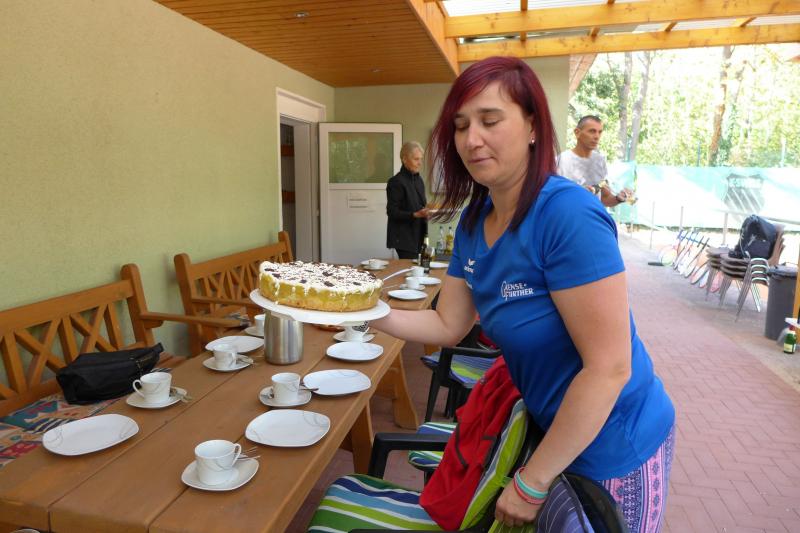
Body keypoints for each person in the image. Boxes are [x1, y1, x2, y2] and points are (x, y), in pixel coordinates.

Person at [372, 57, 675, 532]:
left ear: (533, 125)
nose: (472, 139)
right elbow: (448, 324)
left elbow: (610, 368)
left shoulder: (567, 215)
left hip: (614, 441)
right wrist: (364, 310)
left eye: (490, 120)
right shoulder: (475, 220)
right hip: (551, 429)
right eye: (461, 126)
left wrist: (533, 482)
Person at [557, 115, 633, 207]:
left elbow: (604, 198)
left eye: (600, 132)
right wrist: (577, 193)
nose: (597, 136)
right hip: (568, 214)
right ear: (577, 133)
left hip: (593, 215)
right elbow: (553, 198)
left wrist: (618, 198)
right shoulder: (561, 160)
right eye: (592, 131)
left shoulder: (599, 161)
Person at [386, 141, 430, 259]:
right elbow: (392, 212)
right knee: (411, 269)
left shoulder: (419, 180)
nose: (420, 163)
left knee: (420, 268)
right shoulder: (396, 182)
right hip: (404, 239)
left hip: (419, 235)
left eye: (420, 159)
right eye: (416, 159)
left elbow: (420, 206)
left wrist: (428, 212)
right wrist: (415, 214)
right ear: (405, 159)